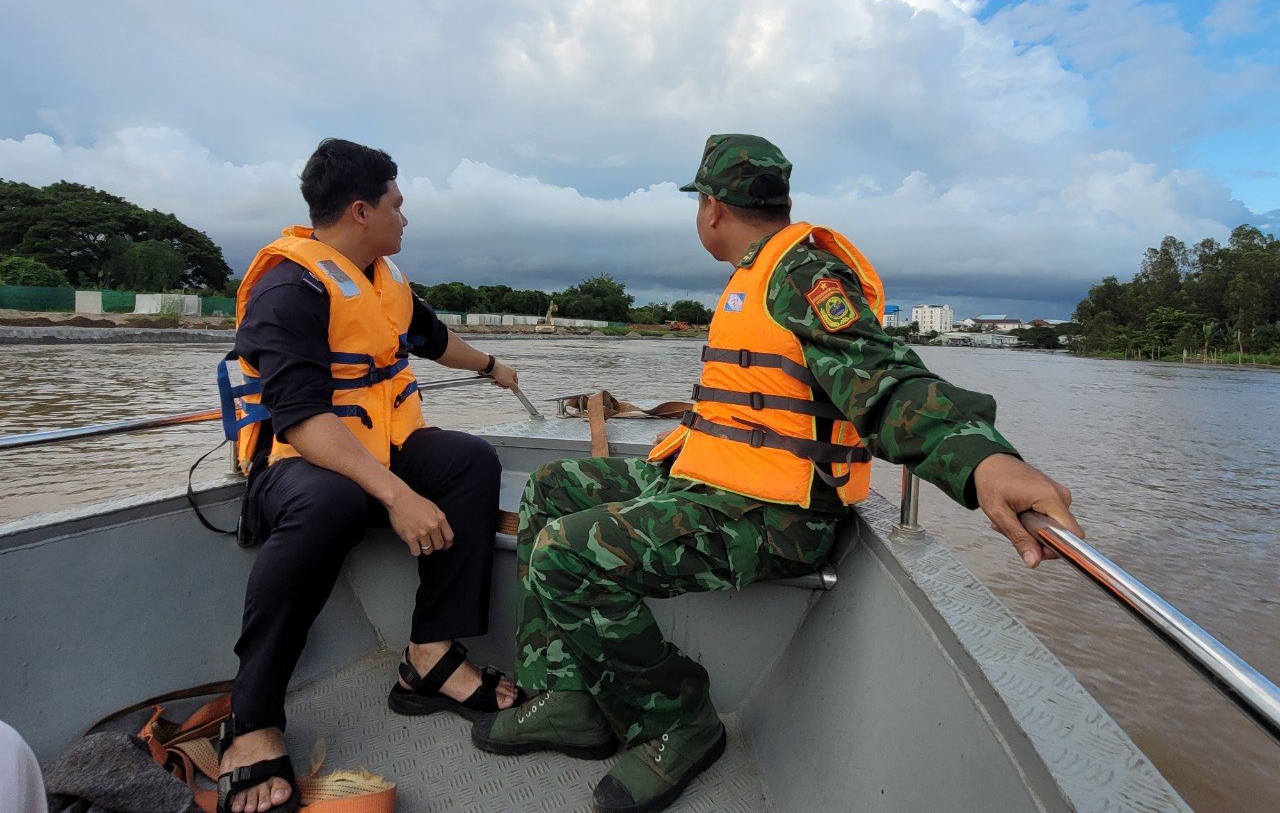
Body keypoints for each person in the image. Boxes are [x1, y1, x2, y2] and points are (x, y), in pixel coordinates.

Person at [472, 134, 1085, 813]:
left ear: (710, 209)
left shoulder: (802, 275)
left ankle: (679, 720)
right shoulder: (756, 272)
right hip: (715, 483)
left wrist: (980, 457)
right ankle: (569, 695)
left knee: (567, 553)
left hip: (778, 516)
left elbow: (882, 378)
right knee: (551, 486)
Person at [217, 139, 525, 813]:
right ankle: (253, 719)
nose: (405, 219)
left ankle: (430, 656)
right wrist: (398, 495)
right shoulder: (287, 287)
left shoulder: (380, 278)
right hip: (299, 466)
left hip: (377, 450)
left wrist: (492, 367)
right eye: (397, 205)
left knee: (469, 460)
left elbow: (433, 338)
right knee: (329, 501)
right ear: (362, 210)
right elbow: (299, 420)